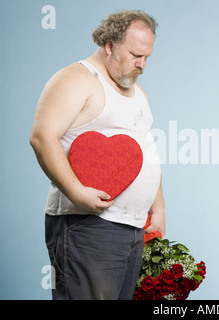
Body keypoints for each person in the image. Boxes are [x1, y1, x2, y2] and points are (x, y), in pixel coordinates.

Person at [30, 10, 165, 300]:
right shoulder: (76, 79)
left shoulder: (135, 89)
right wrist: (77, 192)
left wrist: (158, 210)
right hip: (88, 225)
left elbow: (146, 150)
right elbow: (42, 137)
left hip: (132, 228)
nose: (141, 65)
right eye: (135, 55)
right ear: (110, 45)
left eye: (147, 58)